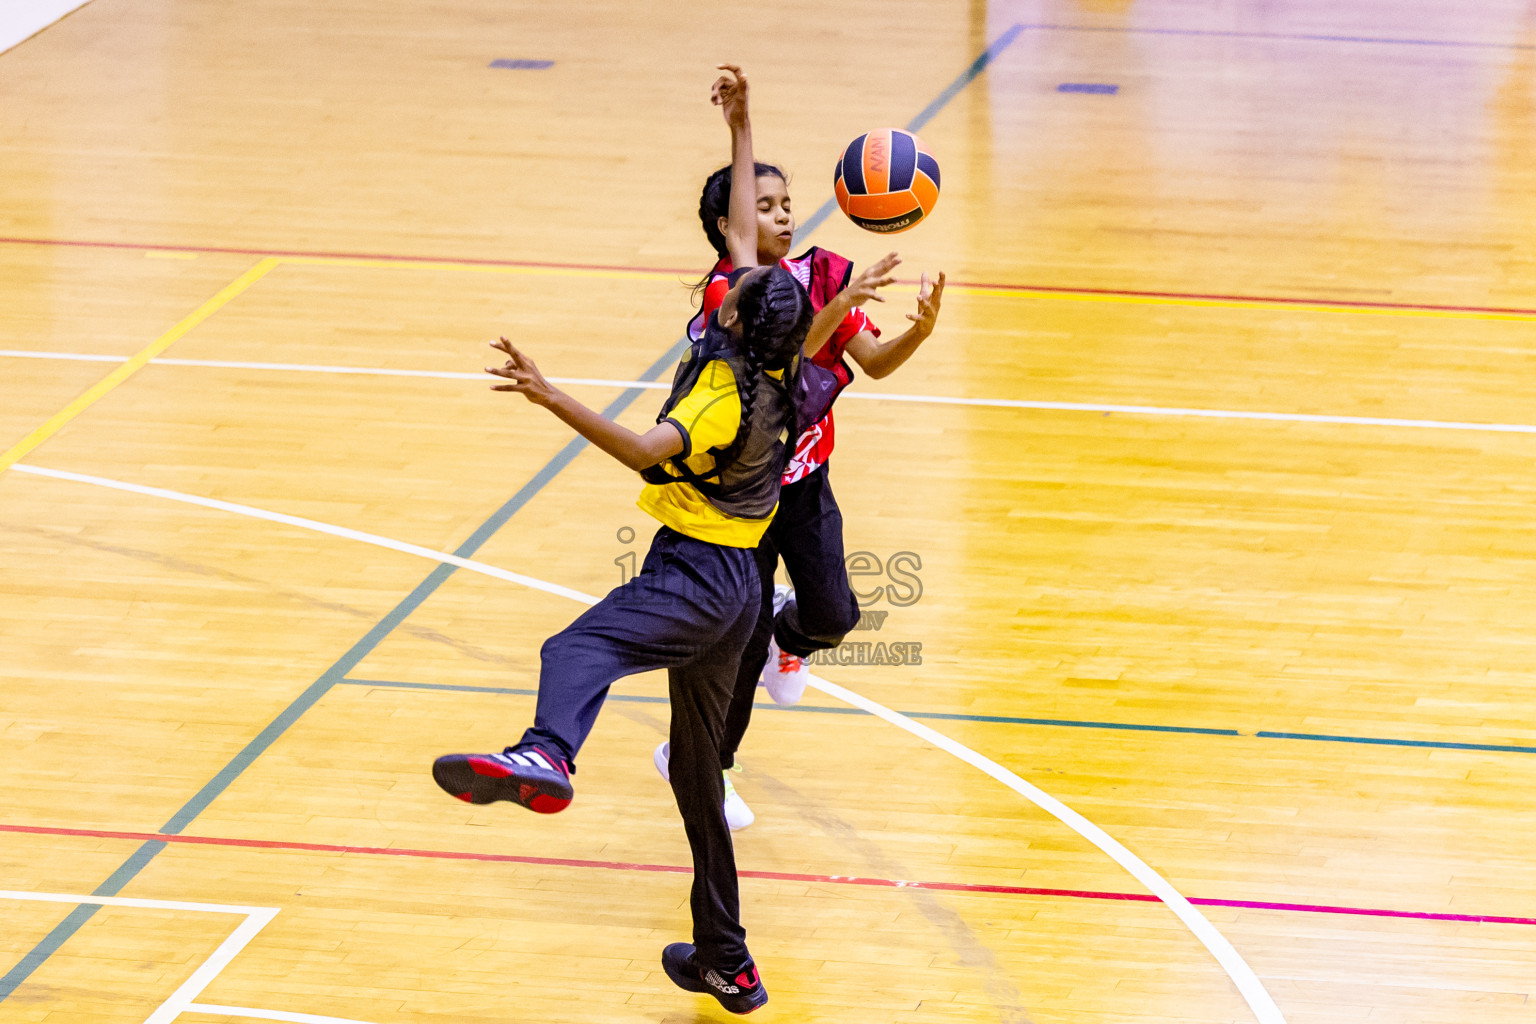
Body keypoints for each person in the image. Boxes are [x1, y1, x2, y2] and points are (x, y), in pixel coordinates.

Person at [431, 65, 802, 1015]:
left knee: (575, 647)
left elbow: (645, 451)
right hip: (745, 593)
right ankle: (728, 957)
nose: (746, 255)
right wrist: (744, 122)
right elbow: (753, 250)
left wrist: (553, 395)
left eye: (741, 276)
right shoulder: (788, 362)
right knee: (694, 771)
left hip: (700, 577)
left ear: (728, 310)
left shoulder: (723, 389)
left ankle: (548, 752)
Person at [653, 78, 946, 831]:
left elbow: (873, 363)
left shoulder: (821, 273)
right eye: (764, 206)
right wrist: (740, 126)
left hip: (804, 483)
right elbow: (781, 367)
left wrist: (919, 330)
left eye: (788, 203)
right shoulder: (733, 293)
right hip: (743, 498)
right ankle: (703, 766)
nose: (783, 214)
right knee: (738, 644)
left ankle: (796, 637)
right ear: (729, 226)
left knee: (834, 615)